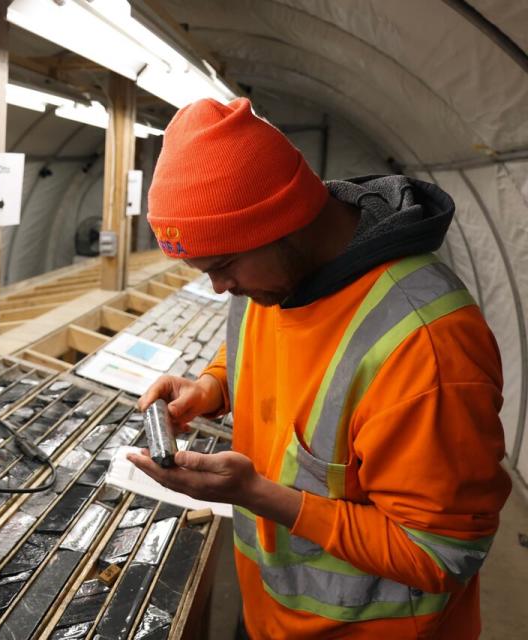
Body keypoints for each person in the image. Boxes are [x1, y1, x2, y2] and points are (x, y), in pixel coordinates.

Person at [128, 97, 511, 639]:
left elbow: (441, 553)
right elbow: (266, 347)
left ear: (280, 224)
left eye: (222, 266)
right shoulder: (270, 277)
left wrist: (256, 493)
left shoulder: (427, 344)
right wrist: (212, 386)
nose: (219, 288)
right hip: (271, 615)